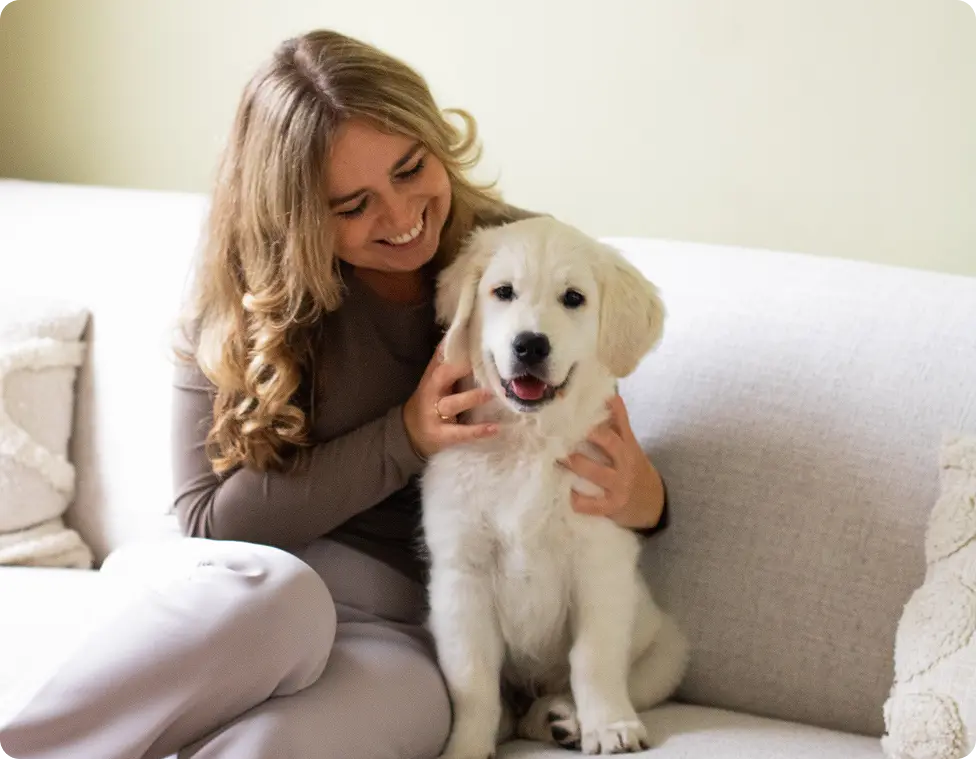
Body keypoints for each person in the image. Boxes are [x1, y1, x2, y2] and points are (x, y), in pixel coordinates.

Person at [0, 29, 668, 759]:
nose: (401, 214)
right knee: (284, 605)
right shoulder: (238, 301)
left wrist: (649, 500)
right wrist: (406, 434)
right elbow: (204, 523)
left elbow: (594, 461)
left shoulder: (509, 264)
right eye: (353, 205)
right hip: (250, 587)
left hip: (404, 631)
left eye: (412, 168)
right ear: (297, 215)